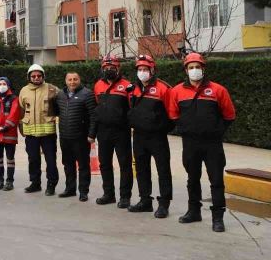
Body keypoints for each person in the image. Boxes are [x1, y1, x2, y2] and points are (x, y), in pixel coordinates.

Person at [167, 53, 236, 233]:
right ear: (186, 70)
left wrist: (216, 131)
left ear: (203, 68)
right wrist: (186, 128)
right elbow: (173, 115)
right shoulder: (176, 91)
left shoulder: (218, 90)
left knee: (216, 180)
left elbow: (229, 115)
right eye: (191, 67)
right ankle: (194, 211)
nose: (194, 70)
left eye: (197, 67)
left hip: (212, 144)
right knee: (192, 178)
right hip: (190, 143)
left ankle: (218, 217)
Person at [127, 55, 174, 218]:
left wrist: (161, 128)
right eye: (139, 70)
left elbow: (172, 113)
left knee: (163, 170)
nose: (142, 72)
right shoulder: (133, 88)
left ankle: (164, 204)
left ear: (152, 70)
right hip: (139, 136)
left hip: (157, 137)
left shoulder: (163, 88)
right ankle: (145, 201)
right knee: (141, 170)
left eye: (145, 69)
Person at [92, 55, 133, 208]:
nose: (109, 70)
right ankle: (108, 194)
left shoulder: (127, 85)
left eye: (112, 67)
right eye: (106, 68)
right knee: (105, 164)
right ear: (102, 69)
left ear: (118, 68)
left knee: (125, 164)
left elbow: (131, 108)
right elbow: (97, 108)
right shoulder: (98, 86)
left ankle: (125, 197)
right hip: (103, 131)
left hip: (121, 131)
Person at [18, 64, 60, 195]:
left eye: (39, 75)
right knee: (33, 159)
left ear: (43, 76)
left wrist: (57, 120)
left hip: (48, 132)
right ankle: (35, 183)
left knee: (51, 160)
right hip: (30, 133)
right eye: (33, 76)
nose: (36, 78)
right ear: (29, 77)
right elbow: (21, 111)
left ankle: (51, 185)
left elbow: (61, 108)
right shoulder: (24, 91)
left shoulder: (52, 89)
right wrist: (21, 128)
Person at [54, 72, 97, 201]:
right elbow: (57, 111)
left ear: (79, 80)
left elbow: (93, 116)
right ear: (65, 81)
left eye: (75, 79)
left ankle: (83, 191)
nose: (72, 82)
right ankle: (70, 189)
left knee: (83, 165)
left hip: (81, 137)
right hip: (65, 137)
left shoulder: (87, 94)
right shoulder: (60, 94)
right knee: (68, 164)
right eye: (70, 79)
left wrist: (91, 134)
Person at [0, 77, 21, 190]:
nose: (2, 85)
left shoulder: (14, 98)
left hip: (9, 134)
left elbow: (14, 113)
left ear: (8, 85)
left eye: (4, 83)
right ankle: (0, 180)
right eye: (0, 83)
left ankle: (9, 181)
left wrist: (5, 127)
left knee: (10, 159)